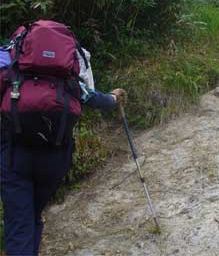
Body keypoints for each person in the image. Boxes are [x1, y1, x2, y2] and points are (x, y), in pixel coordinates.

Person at [0, 45, 127, 255]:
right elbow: (94, 99)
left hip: (15, 156)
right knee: (33, 214)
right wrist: (114, 97)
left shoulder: (10, 67)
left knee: (19, 223)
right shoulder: (66, 75)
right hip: (55, 158)